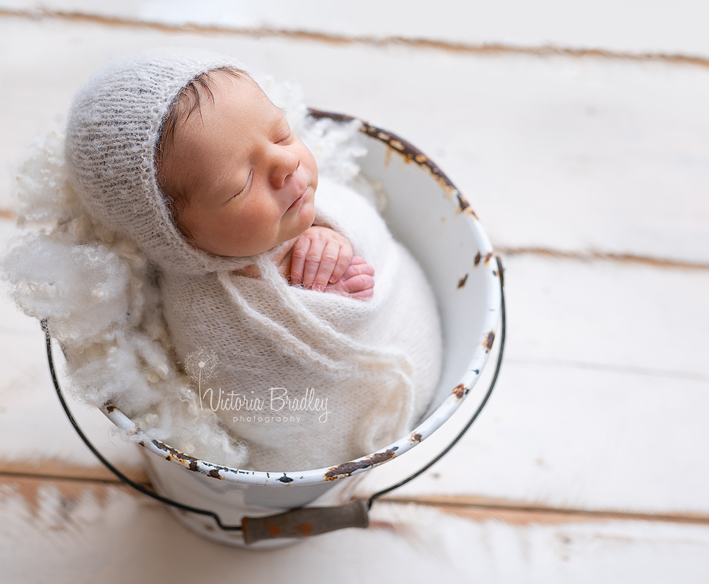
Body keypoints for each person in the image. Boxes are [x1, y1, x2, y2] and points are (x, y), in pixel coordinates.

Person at [65, 48, 442, 471]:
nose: (286, 163)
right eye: (242, 184)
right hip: (320, 443)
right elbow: (249, 399)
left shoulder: (313, 200)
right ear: (175, 237)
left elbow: (368, 224)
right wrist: (318, 308)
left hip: (408, 329)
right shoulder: (203, 307)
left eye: (281, 134)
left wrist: (333, 235)